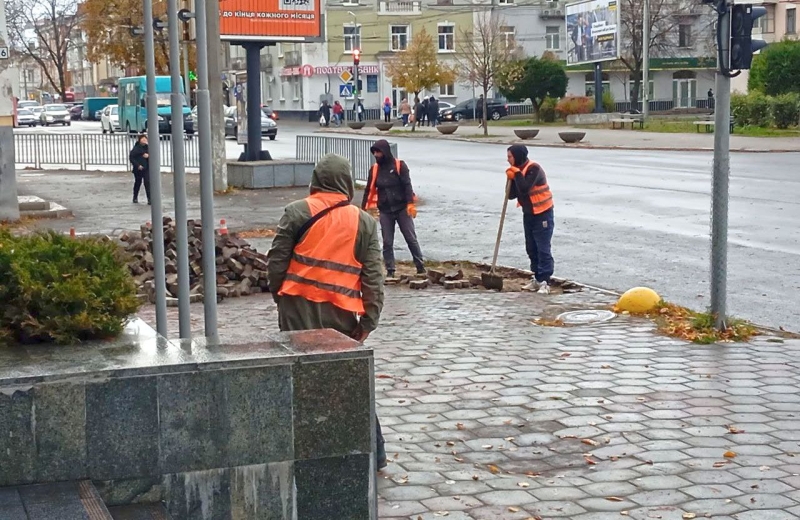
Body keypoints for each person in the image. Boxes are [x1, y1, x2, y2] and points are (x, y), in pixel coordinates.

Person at [267, 153, 387, 468]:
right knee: (347, 382)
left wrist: (280, 294)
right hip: (342, 317)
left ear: (316, 181)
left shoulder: (296, 212)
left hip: (297, 309)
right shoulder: (364, 222)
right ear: (347, 183)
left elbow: (277, 260)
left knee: (301, 378)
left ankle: (307, 451)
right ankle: (373, 456)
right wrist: (369, 320)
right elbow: (374, 277)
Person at [362, 140, 425, 278]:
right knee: (387, 241)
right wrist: (363, 209)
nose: (376, 155)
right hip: (385, 210)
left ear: (385, 151)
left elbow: (407, 185)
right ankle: (390, 270)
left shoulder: (399, 166)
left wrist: (410, 203)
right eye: (374, 152)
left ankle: (420, 266)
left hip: (402, 208)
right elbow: (368, 190)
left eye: (378, 152)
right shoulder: (374, 170)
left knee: (410, 238)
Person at [505, 144, 554, 294]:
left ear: (518, 156)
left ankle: (545, 280)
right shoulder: (517, 170)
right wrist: (511, 179)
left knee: (542, 248)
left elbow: (525, 187)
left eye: (510, 157)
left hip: (543, 213)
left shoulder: (534, 168)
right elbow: (512, 195)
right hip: (529, 214)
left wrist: (517, 175)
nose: (508, 160)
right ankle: (537, 279)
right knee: (531, 247)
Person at [129, 134, 151, 205]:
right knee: (138, 183)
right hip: (138, 169)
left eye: (145, 139)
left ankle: (149, 199)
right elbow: (132, 157)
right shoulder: (136, 148)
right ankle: (135, 197)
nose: (144, 140)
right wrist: (138, 165)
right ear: (139, 140)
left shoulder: (148, 148)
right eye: (143, 139)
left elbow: (154, 156)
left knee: (147, 182)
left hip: (146, 168)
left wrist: (148, 156)